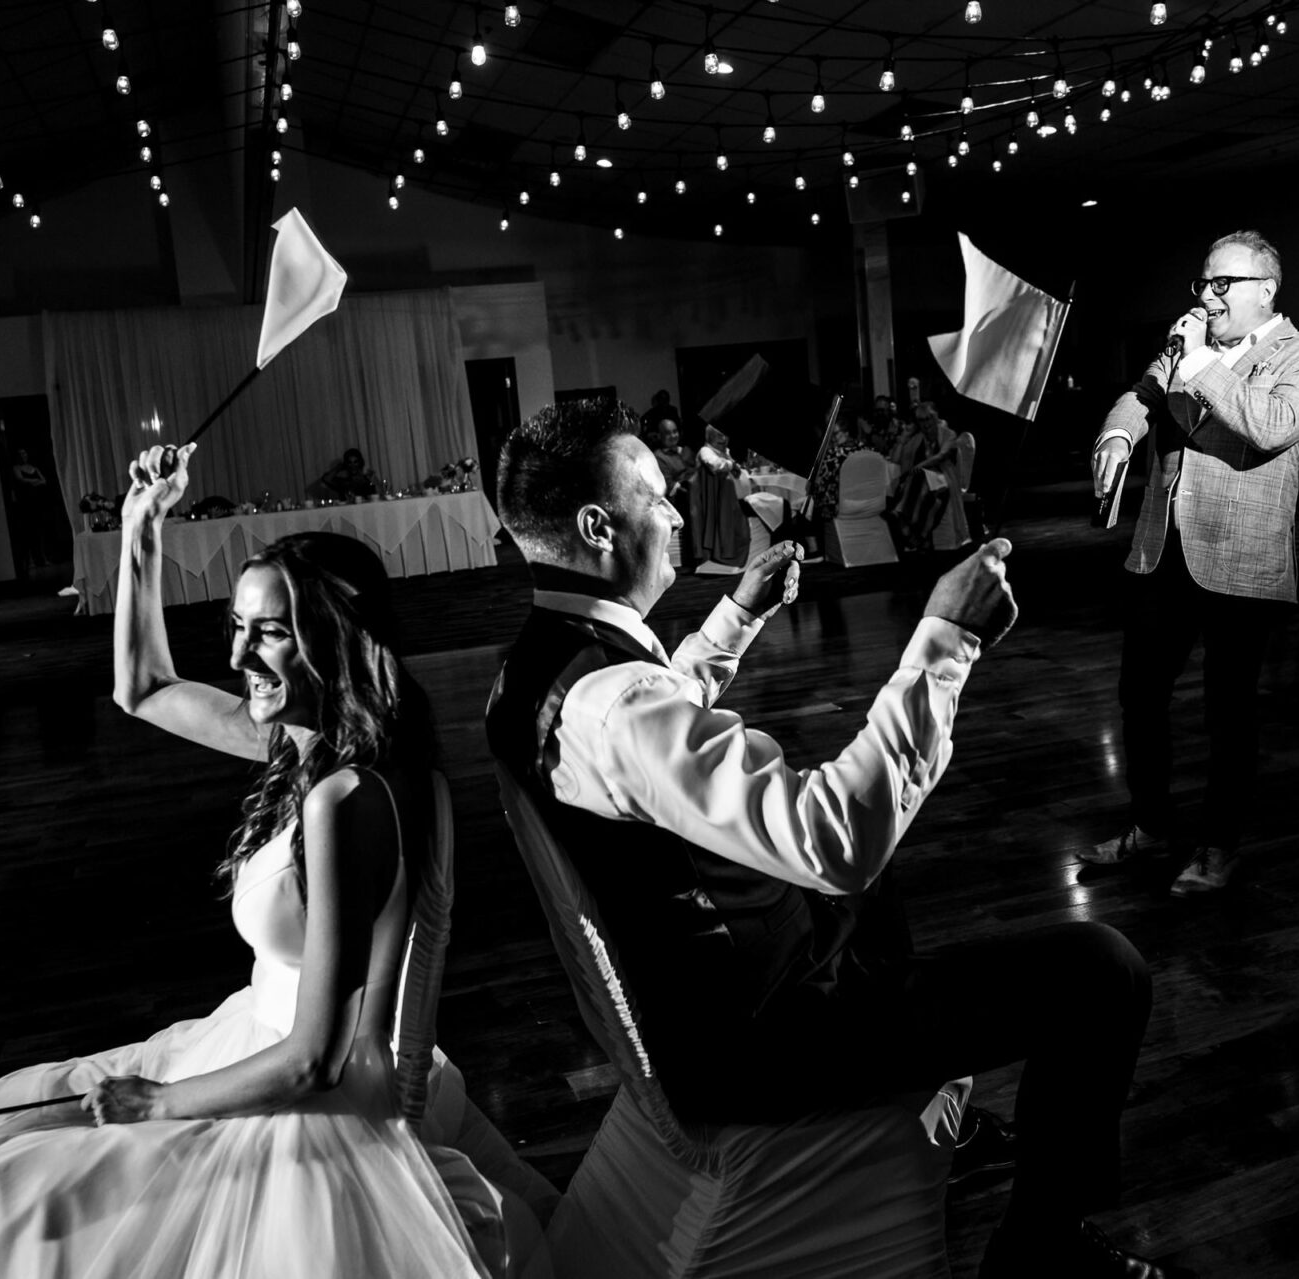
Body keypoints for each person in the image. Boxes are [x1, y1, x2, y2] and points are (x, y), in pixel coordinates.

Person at [0, 443, 549, 1279]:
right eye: (236, 629)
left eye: (268, 633)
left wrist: (156, 1103)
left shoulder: (345, 798)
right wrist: (141, 529)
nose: (237, 658)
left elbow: (315, 1058)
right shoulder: (309, 751)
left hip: (304, 1099)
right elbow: (142, 687)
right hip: (251, 1041)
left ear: (333, 639)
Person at [485, 399, 1162, 1278]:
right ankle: (1042, 1253)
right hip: (756, 1043)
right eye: (657, 498)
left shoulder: (534, 671)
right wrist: (945, 640)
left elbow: (643, 723)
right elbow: (831, 833)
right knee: (1102, 970)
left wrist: (735, 615)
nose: (680, 515)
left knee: (868, 885)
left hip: (688, 1009)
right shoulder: (616, 709)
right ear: (594, 524)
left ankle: (916, 1082)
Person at [1084, 229, 1299, 896]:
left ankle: (1219, 845)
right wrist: (1118, 432)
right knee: (1139, 696)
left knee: (1229, 711)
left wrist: (1198, 364)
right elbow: (1139, 398)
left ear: (1266, 290)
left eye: (1223, 283)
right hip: (1161, 549)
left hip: (1240, 554)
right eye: (1203, 282)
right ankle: (1150, 825)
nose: (1208, 295)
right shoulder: (1182, 350)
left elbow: (1270, 423)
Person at [889, 402, 977, 551]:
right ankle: (919, 534)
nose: (926, 424)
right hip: (923, 482)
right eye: (921, 420)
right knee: (916, 483)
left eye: (929, 418)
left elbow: (940, 456)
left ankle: (904, 519)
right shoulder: (917, 439)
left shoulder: (949, 434)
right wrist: (903, 439)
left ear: (936, 417)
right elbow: (896, 460)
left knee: (921, 480)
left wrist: (919, 467)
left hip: (945, 479)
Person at [308, 447, 379, 501]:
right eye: (349, 462)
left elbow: (381, 494)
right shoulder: (343, 482)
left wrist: (374, 481)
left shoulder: (368, 479)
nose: (353, 466)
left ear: (360, 463)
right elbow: (326, 479)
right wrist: (339, 467)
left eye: (355, 462)